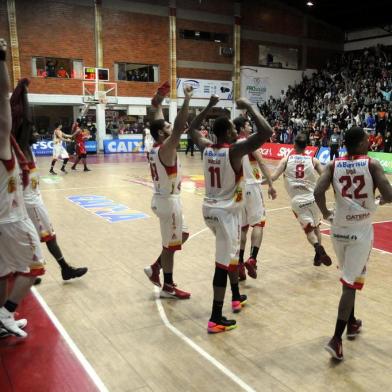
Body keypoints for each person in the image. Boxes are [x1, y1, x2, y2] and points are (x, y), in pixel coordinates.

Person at [188, 96, 273, 333]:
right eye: (234, 128)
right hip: (226, 213)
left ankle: (235, 296)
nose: (237, 131)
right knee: (222, 264)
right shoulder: (234, 151)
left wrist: (207, 107)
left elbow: (192, 129)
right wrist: (251, 107)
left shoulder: (206, 148)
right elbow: (266, 131)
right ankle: (215, 317)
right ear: (227, 132)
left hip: (210, 210)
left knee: (232, 256)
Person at [314, 126, 392, 360]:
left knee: (350, 275)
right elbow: (389, 194)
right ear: (359, 144)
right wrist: (378, 199)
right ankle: (336, 338)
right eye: (367, 140)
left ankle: (352, 323)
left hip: (338, 230)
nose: (369, 142)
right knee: (350, 283)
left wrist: (326, 212)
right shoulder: (372, 164)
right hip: (359, 231)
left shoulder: (333, 164)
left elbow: (318, 191)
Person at [10, 78, 88, 283]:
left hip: (28, 201)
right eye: (31, 130)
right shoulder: (19, 148)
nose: (35, 131)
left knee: (34, 238)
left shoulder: (25, 149)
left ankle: (28, 270)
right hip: (29, 203)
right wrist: (23, 92)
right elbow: (24, 121)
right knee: (47, 236)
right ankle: (59, 268)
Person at [0, 39, 45, 338]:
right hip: (13, 222)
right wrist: (1, 57)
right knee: (34, 270)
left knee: (3, 272)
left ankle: (1, 317)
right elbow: (3, 100)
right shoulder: (3, 147)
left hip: (3, 221)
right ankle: (6, 312)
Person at [143, 82, 191, 299]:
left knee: (183, 234)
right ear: (163, 134)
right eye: (169, 128)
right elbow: (179, 127)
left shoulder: (156, 144)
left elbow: (156, 113)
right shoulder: (166, 148)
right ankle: (168, 286)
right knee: (171, 245)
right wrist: (187, 99)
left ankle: (155, 266)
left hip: (165, 198)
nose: (172, 129)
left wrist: (159, 98)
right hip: (168, 201)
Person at [268, 133, 332, 266]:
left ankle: (317, 247)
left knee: (308, 230)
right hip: (313, 198)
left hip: (298, 201)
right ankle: (317, 257)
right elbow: (325, 177)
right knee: (316, 227)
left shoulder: (286, 160)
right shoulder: (313, 160)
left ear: (294, 145)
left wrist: (260, 181)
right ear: (307, 147)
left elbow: (273, 177)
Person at [233, 116, 277, 281]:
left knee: (243, 227)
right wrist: (271, 184)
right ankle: (252, 258)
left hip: (238, 189)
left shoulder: (232, 144)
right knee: (258, 224)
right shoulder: (249, 142)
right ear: (242, 128)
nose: (251, 127)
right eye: (248, 125)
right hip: (252, 186)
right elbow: (262, 162)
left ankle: (239, 265)